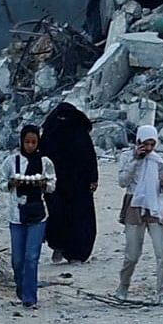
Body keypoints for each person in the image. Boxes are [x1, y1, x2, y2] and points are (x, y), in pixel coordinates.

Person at [113, 124, 163, 301]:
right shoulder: (127, 156)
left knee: (162, 251)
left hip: (154, 206)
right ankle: (123, 286)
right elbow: (122, 181)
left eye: (152, 144)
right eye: (145, 144)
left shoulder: (157, 161)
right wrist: (135, 159)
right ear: (138, 141)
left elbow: (162, 188)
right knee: (132, 254)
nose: (149, 148)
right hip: (134, 205)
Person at [41, 102, 99, 270]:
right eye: (60, 117)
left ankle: (78, 254)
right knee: (57, 216)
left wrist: (93, 178)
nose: (63, 121)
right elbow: (42, 158)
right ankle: (58, 246)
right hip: (55, 185)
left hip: (79, 185)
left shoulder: (80, 134)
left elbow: (90, 157)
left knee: (81, 219)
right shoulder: (50, 133)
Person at [2, 124, 54, 312]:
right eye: (27, 142)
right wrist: (11, 183)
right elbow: (1, 183)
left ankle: (29, 297)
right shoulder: (11, 161)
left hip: (37, 214)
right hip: (16, 214)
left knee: (32, 256)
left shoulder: (45, 162)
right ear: (21, 142)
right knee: (17, 259)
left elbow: (52, 185)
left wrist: (42, 184)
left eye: (34, 142)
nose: (30, 146)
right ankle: (21, 287)